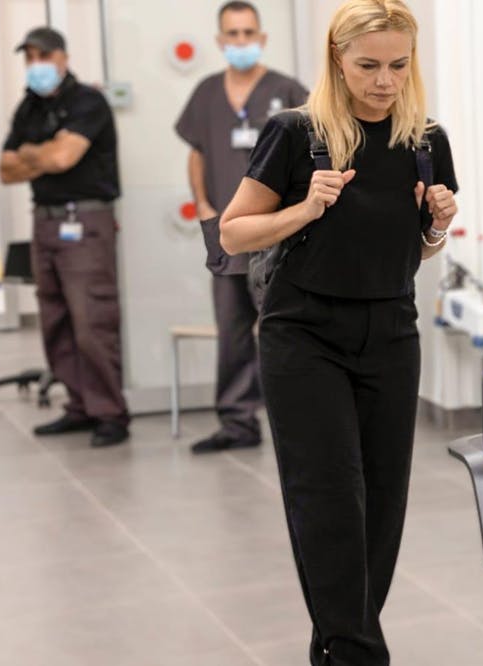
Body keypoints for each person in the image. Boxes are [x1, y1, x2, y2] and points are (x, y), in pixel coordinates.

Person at [219, 1, 458, 662]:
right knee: (329, 504)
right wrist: (305, 207)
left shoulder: (425, 140)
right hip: (305, 336)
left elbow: (415, 248)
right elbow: (234, 232)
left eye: (398, 65)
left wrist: (435, 224)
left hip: (391, 330)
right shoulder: (296, 133)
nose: (385, 81)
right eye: (368, 66)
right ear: (337, 61)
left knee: (382, 509)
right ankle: (358, 653)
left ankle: (338, 647)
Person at [175, 1, 309, 455]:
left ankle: (300, 421)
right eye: (232, 34)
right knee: (232, 329)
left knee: (284, 328)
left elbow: (311, 150)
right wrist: (204, 206)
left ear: (262, 38)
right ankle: (237, 423)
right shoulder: (207, 93)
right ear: (219, 41)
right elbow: (196, 152)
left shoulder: (286, 89)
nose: (240, 41)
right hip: (225, 230)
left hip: (275, 232)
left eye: (248, 32)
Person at [0, 27, 130, 448]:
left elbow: (64, 156)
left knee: (92, 322)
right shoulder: (28, 108)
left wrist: (35, 155)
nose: (36, 64)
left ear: (63, 57)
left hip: (85, 221)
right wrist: (46, 154)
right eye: (29, 57)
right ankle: (79, 407)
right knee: (55, 320)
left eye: (43, 55)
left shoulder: (87, 102)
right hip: (45, 222)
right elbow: (5, 170)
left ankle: (110, 412)